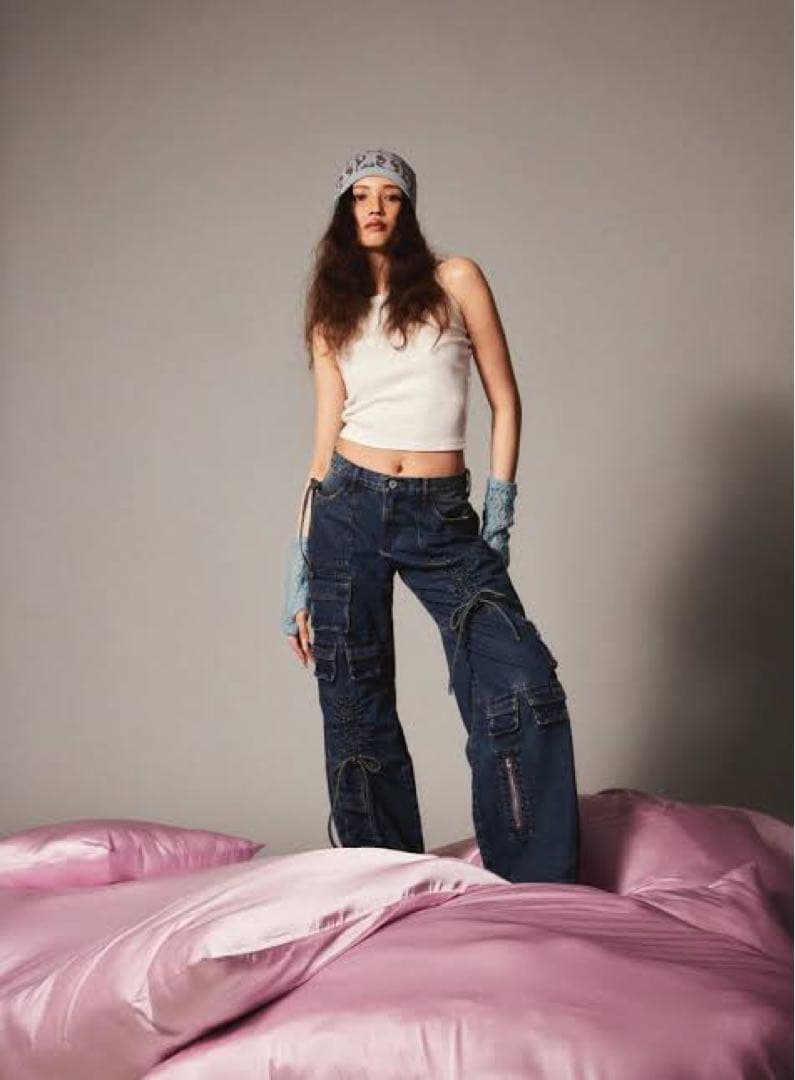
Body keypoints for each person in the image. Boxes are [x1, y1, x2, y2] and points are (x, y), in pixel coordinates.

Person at [281, 148, 580, 884]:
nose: (375, 207)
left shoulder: (455, 280)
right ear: (345, 212)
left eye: (389, 196)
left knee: (521, 680)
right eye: (361, 196)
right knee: (354, 708)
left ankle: (536, 881)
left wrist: (497, 518)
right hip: (346, 509)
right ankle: (385, 883)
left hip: (439, 515)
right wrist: (296, 569)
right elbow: (321, 449)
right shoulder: (331, 312)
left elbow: (506, 402)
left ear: (408, 209)